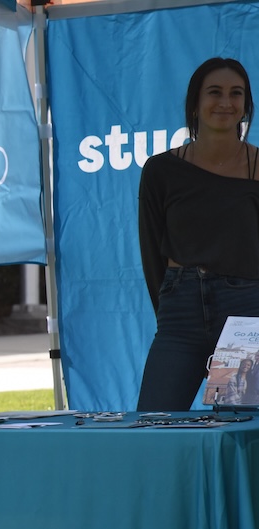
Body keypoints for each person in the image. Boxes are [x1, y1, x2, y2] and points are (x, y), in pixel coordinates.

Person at [138, 57, 259, 411]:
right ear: (194, 103)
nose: (225, 102)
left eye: (236, 93)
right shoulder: (160, 170)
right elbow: (151, 253)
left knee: (241, 433)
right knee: (154, 423)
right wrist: (169, 311)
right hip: (181, 316)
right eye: (214, 92)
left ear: (246, 105)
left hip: (245, 317)